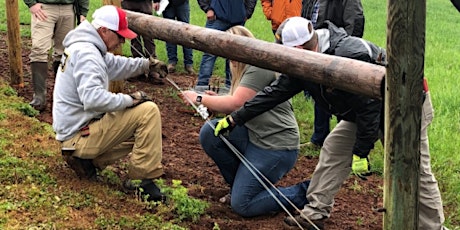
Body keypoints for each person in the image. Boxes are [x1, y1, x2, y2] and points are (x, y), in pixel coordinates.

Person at [215, 17, 447, 229]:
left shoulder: (349, 55)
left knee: (413, 167)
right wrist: (236, 117)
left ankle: (434, 227)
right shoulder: (304, 61)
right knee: (333, 150)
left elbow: (371, 105)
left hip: (403, 107)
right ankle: (315, 212)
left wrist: (361, 152)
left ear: (298, 49)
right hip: (361, 112)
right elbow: (275, 92)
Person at [180, 25, 310, 217]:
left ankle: (304, 192)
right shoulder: (241, 66)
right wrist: (215, 99)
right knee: (211, 132)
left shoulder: (258, 66)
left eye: (231, 51)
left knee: (242, 205)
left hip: (276, 146)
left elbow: (236, 103)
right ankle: (240, 186)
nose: (229, 57)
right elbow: (240, 102)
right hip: (255, 136)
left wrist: (199, 98)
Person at [53, 5, 169, 202]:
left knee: (145, 133)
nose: (122, 40)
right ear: (104, 31)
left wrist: (146, 64)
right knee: (148, 112)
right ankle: (143, 182)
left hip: (75, 132)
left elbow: (114, 64)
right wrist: (130, 100)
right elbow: (93, 99)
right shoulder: (88, 54)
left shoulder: (87, 47)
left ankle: (87, 160)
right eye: (120, 35)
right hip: (77, 135)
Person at [301, 0, 365, 150]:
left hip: (335, 52)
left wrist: (342, 50)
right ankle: (318, 138)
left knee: (340, 97)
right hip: (316, 50)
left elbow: (354, 22)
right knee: (320, 95)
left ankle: (343, 142)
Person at [23, 0, 89, 111]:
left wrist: (82, 12)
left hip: (68, 9)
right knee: (39, 49)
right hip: (44, 8)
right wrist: (31, 4)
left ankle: (61, 95)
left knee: (64, 53)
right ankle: (39, 97)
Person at [195, 0, 257, 93]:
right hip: (217, 18)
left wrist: (247, 12)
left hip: (238, 19)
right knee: (209, 53)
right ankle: (201, 87)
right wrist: (208, 8)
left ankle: (230, 87)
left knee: (234, 55)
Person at [157, 0, 195, 75]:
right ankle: (172, 62)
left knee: (185, 33)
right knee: (169, 34)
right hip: (167, 4)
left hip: (182, 3)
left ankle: (188, 64)